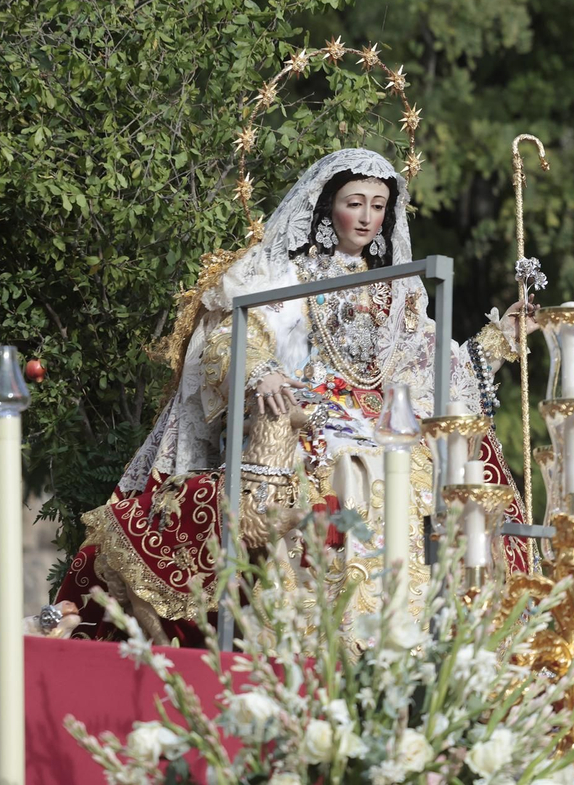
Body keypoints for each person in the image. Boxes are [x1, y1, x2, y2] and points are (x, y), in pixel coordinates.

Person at [55, 148, 532, 645]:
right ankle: (330, 629)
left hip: (383, 415)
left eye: (378, 205)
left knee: (429, 467)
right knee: (351, 464)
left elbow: (427, 365)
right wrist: (261, 372)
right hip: (309, 408)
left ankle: (423, 629)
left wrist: (499, 341)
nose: (368, 217)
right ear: (329, 207)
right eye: (356, 202)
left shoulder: (402, 289)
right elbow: (233, 333)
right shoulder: (291, 274)